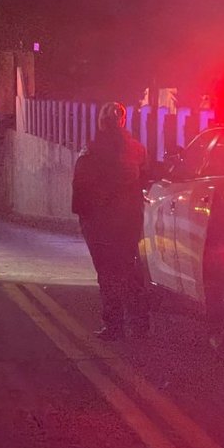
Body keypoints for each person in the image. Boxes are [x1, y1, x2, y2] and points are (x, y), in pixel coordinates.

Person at [71, 101, 150, 340]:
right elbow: (144, 182)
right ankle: (139, 324)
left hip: (100, 222)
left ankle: (114, 326)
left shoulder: (92, 150)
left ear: (101, 123)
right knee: (129, 271)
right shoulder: (137, 150)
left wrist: (84, 218)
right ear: (123, 121)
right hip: (128, 221)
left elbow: (80, 187)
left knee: (107, 275)